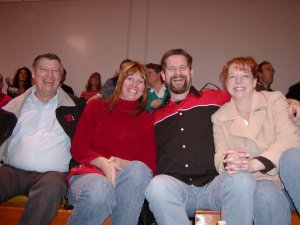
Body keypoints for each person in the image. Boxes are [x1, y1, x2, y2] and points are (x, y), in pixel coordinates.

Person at [145, 49, 256, 225]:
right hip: (177, 190)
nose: (178, 73)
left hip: (215, 185)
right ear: (163, 76)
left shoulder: (215, 98)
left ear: (191, 72)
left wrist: (290, 102)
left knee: (243, 178)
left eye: (183, 68)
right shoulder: (155, 116)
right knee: (157, 186)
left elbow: (250, 95)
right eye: (171, 69)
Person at [212, 56, 300, 225]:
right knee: (264, 192)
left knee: (292, 156)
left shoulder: (275, 99)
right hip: (264, 185)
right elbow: (219, 158)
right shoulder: (219, 118)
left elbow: (289, 139)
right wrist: (230, 162)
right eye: (232, 76)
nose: (238, 81)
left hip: (293, 178)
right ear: (226, 82)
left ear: (254, 81)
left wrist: (252, 165)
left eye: (244, 75)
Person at [67, 61, 156, 225]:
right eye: (130, 78)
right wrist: (103, 163)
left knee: (138, 169)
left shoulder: (147, 120)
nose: (134, 85)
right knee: (101, 189)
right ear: (121, 81)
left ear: (145, 88)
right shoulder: (95, 107)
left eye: (140, 81)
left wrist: (121, 163)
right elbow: (78, 147)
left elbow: (149, 166)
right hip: (89, 176)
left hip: (126, 184)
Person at [0, 53, 85, 225]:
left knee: (51, 187)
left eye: (55, 71)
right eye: (44, 70)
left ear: (61, 76)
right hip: (12, 171)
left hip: (53, 175)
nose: (49, 75)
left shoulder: (77, 107)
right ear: (33, 73)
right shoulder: (12, 107)